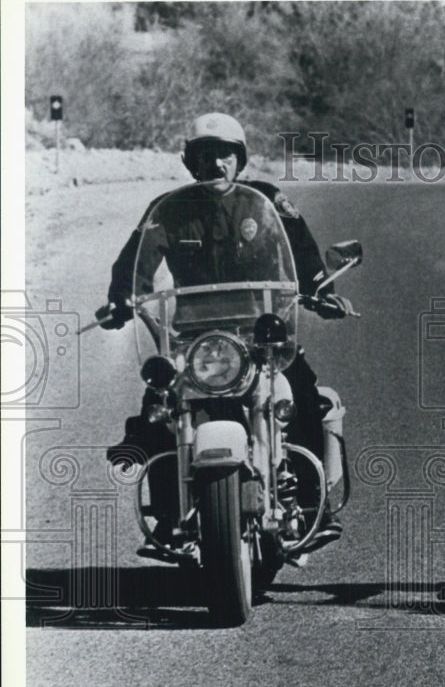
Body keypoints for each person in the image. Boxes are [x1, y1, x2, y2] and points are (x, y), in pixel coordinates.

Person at [97, 112, 349, 556]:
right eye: (206, 154)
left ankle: (313, 507)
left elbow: (301, 249)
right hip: (193, 341)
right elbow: (136, 260)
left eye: (225, 154)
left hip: (263, 336)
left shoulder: (267, 200)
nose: (216, 162)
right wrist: (122, 298)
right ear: (191, 161)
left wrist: (320, 290)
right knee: (159, 407)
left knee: (303, 395)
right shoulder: (168, 210)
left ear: (240, 159)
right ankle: (172, 519)